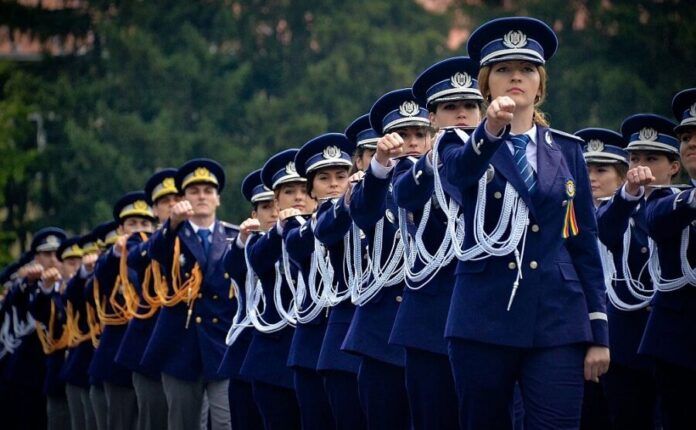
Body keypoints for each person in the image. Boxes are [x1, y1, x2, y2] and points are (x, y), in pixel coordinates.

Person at [439, 17, 610, 429]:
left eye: (527, 69)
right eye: (503, 69)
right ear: (486, 85)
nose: (516, 76)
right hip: (483, 317)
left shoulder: (567, 151)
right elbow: (459, 175)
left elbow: (584, 243)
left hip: (557, 318)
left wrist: (599, 332)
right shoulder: (460, 143)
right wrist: (491, 129)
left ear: (540, 85)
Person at [390, 56, 482, 430]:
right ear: (432, 119)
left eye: (470, 105)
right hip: (431, 318)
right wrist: (431, 161)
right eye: (450, 107)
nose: (461, 114)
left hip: (488, 315)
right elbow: (403, 196)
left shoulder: (507, 160)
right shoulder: (415, 169)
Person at [145, 158, 238, 430]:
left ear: (218, 199)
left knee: (225, 422)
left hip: (220, 343)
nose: (202, 197)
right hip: (181, 346)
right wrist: (172, 223)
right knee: (183, 423)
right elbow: (153, 253)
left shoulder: (232, 236)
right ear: (183, 199)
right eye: (194, 191)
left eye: (208, 191)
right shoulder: (171, 235)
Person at [283, 133, 355, 429]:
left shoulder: (366, 215)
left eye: (341, 176)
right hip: (315, 342)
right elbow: (302, 244)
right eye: (324, 178)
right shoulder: (300, 229)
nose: (334, 184)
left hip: (354, 335)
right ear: (311, 189)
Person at [310, 114, 376, 430]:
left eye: (340, 175)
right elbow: (325, 230)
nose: (334, 183)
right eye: (373, 154)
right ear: (359, 163)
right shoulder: (334, 210)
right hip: (345, 335)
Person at [239, 149, 307, 430]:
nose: (299, 197)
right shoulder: (265, 240)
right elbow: (257, 260)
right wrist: (281, 229)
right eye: (289, 192)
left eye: (304, 189)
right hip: (274, 358)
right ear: (276, 201)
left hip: (314, 353)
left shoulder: (330, 227)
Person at [641, 88, 696, 428]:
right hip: (679, 344)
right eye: (686, 137)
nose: (691, 143)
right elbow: (655, 220)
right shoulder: (670, 200)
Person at [114, 169, 180, 430]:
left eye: (177, 198)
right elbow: (133, 259)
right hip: (149, 347)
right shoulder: (141, 243)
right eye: (165, 202)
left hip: (188, 346)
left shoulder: (204, 237)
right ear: (155, 210)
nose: (173, 205)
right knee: (154, 419)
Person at [90, 191, 157, 430]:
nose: (139, 229)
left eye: (145, 224)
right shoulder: (111, 260)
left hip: (151, 355)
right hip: (117, 359)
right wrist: (117, 253)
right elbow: (96, 282)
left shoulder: (157, 255)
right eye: (132, 224)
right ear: (120, 229)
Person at [218, 169, 273, 430]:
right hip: (247, 351)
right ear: (254, 214)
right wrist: (241, 240)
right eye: (265, 207)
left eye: (277, 204)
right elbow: (233, 266)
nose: (274, 213)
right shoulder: (247, 246)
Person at [2, 227, 67, 430]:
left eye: (57, 254)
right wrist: (29, 281)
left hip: (59, 369)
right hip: (29, 373)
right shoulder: (27, 286)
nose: (53, 260)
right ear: (36, 258)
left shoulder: (69, 285)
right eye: (47, 254)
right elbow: (15, 299)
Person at [31, 236, 85, 430]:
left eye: (81, 262)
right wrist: (46, 288)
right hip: (60, 374)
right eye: (71, 263)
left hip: (86, 373)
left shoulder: (93, 291)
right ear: (60, 266)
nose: (77, 267)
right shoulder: (54, 296)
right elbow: (38, 310)